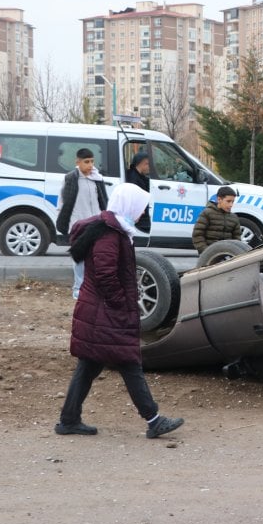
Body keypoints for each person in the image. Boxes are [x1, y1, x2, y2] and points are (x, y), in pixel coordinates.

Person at [55, 182, 184, 439]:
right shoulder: (110, 234)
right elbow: (105, 274)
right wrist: (121, 304)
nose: (142, 213)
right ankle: (153, 420)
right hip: (106, 313)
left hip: (99, 313)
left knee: (90, 366)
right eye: (141, 207)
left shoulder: (112, 229)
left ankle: (68, 420)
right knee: (129, 364)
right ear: (129, 205)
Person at [57, 148, 108, 300]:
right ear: (77, 162)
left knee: (95, 257)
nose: (90, 165)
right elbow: (63, 203)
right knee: (79, 258)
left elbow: (103, 201)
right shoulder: (70, 179)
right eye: (86, 162)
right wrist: (66, 224)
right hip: (78, 225)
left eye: (92, 161)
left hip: (96, 224)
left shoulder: (97, 179)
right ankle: (78, 290)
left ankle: (92, 289)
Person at [191, 186, 241, 254]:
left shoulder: (234, 218)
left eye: (232, 202)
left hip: (227, 256)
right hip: (208, 257)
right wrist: (206, 252)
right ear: (219, 199)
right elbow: (197, 235)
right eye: (228, 201)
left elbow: (237, 240)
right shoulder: (207, 213)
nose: (231, 205)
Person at [125, 151, 151, 232]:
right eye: (147, 164)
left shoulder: (140, 176)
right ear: (141, 164)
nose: (149, 167)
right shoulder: (134, 178)